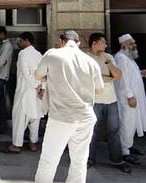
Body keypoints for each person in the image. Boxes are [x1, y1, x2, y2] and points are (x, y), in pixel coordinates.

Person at [34, 30, 103, 183]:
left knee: (49, 160)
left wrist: (53, 78)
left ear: (61, 41)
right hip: (86, 117)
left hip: (62, 116)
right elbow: (98, 90)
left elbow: (38, 75)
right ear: (78, 43)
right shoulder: (90, 61)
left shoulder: (52, 54)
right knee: (79, 161)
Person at [86, 33, 131, 173]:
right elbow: (89, 79)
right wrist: (107, 78)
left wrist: (107, 62)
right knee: (91, 132)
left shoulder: (109, 57)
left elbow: (117, 75)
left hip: (111, 100)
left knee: (114, 131)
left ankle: (117, 160)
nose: (105, 45)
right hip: (94, 101)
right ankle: (88, 159)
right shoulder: (86, 58)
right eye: (103, 43)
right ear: (94, 43)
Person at [5, 32, 44, 153]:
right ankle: (33, 143)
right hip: (37, 92)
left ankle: (17, 145)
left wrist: (35, 86)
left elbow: (26, 73)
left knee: (20, 119)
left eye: (20, 41)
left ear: (26, 41)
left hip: (25, 90)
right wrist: (41, 87)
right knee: (35, 119)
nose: (19, 43)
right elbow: (44, 73)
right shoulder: (39, 54)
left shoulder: (23, 53)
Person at [114, 34, 146, 164]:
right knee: (127, 124)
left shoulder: (129, 58)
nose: (134, 45)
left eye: (134, 43)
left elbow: (130, 75)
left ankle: (129, 146)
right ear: (124, 45)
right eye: (132, 43)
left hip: (134, 97)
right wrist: (130, 96)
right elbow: (123, 79)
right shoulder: (121, 57)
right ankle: (124, 152)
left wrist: (141, 73)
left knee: (132, 124)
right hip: (127, 99)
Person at [0, 26, 13, 132]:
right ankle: (0, 122)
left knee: (0, 101)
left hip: (1, 76)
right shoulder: (0, 45)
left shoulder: (7, 46)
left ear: (2, 34)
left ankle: (2, 124)